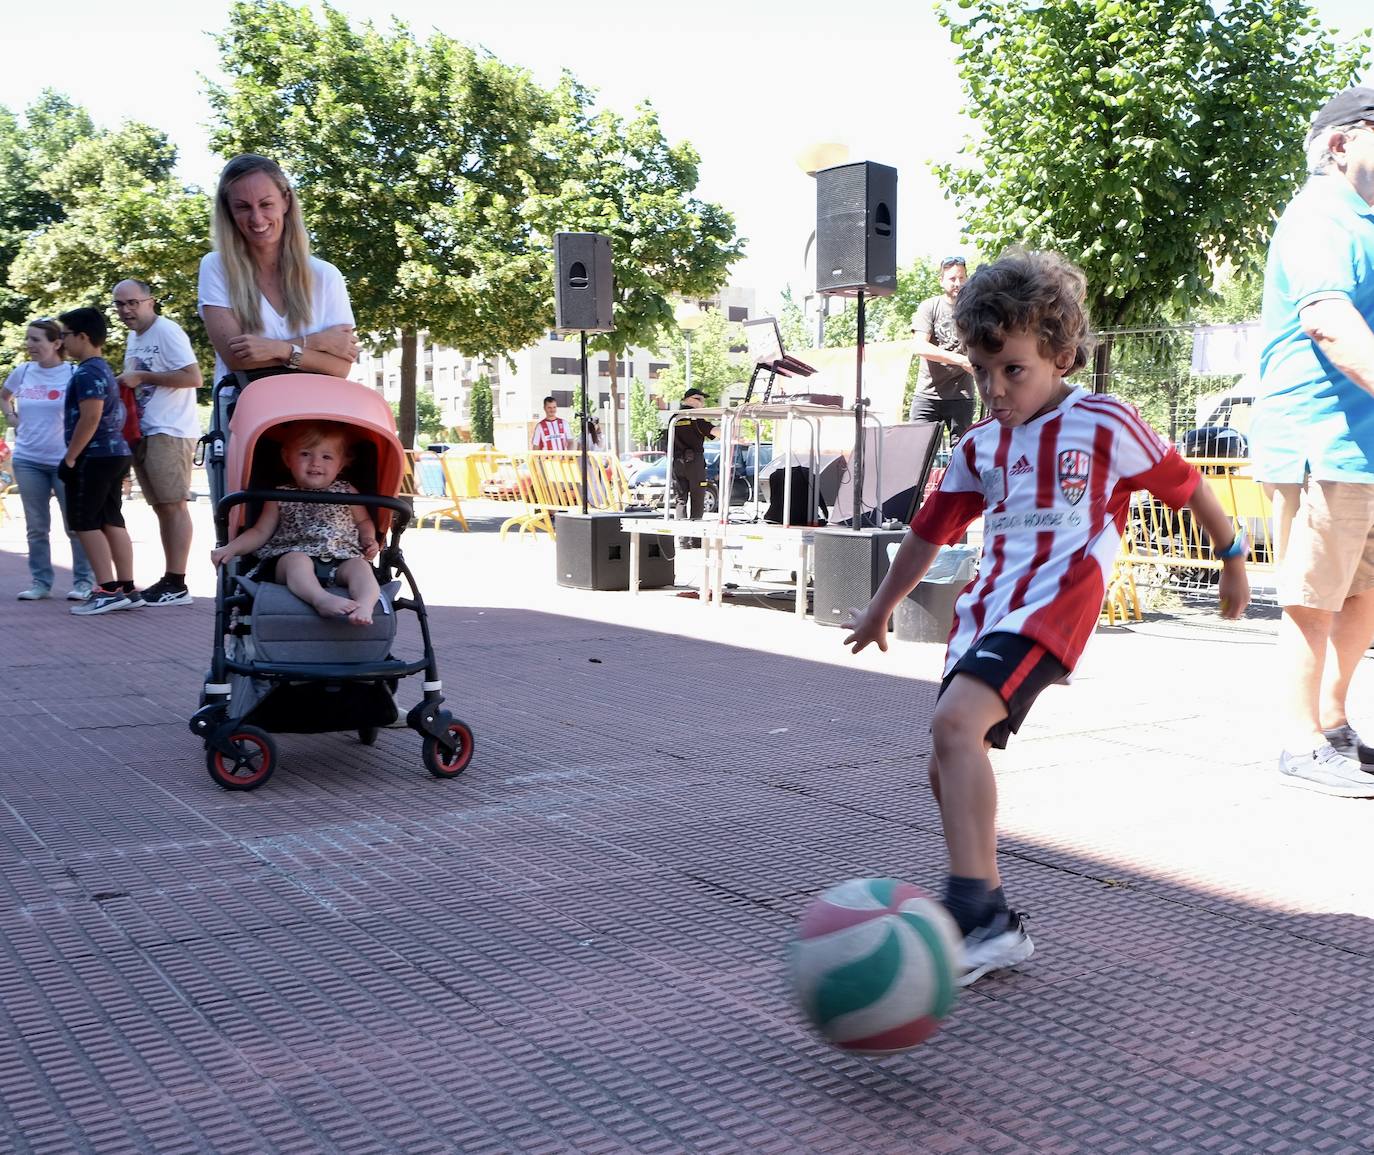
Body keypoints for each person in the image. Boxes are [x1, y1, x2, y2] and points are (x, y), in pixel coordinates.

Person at [843, 249, 1249, 984]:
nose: (996, 390)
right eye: (982, 372)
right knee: (946, 764)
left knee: (954, 727)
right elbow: (928, 531)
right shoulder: (981, 444)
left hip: (1054, 605)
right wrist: (879, 608)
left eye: (1015, 370)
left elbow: (1185, 485)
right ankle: (994, 912)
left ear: (1061, 355)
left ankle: (972, 911)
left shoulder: (1102, 421)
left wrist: (1232, 552)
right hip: (988, 609)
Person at [1249, 86, 1374, 798]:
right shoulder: (1319, 216)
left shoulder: (1367, 220)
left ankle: (1333, 720)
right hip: (1319, 438)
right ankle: (1300, 740)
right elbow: (1330, 323)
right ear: (1341, 143)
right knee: (1313, 597)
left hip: (1365, 441)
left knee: (1364, 594)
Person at [198, 154, 357, 391]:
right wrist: (316, 344)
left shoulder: (325, 275)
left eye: (266, 204)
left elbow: (340, 368)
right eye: (242, 207)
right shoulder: (216, 267)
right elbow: (238, 360)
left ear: (286, 201)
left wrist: (278, 350)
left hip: (314, 417)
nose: (256, 218)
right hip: (244, 417)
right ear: (229, 211)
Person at [210, 420, 380, 626]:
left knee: (361, 567)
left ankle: (365, 604)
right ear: (287, 457)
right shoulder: (279, 494)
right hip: (290, 554)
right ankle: (320, 599)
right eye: (305, 454)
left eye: (326, 457)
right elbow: (260, 531)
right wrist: (231, 548)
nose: (316, 463)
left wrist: (369, 538)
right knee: (296, 561)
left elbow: (363, 521)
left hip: (341, 557)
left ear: (342, 463)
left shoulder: (347, 491)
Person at [113, 278, 203, 607]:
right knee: (162, 506)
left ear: (150, 301)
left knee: (173, 504)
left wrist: (143, 377)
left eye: (132, 303)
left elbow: (194, 378)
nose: (126, 310)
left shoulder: (166, 331)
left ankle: (178, 582)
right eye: (120, 305)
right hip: (146, 429)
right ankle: (170, 579)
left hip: (170, 429)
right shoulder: (134, 337)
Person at [0, 318, 96, 601]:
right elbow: (4, 396)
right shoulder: (23, 371)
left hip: (65, 459)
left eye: (36, 340)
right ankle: (41, 582)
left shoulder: (73, 373)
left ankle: (83, 582)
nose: (30, 345)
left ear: (56, 344)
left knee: (76, 525)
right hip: (28, 459)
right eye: (28, 339)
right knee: (36, 527)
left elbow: (89, 412)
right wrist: (11, 416)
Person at [57, 308, 142, 617]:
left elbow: (90, 417)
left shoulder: (86, 372)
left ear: (83, 337)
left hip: (96, 455)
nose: (62, 342)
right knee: (110, 519)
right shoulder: (102, 368)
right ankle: (127, 588)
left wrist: (70, 458)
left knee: (84, 522)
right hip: (115, 452)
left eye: (65, 335)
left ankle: (106, 590)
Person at [909, 256, 977, 442]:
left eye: (962, 278)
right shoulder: (929, 307)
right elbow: (919, 346)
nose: (958, 283)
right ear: (941, 281)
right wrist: (960, 360)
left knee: (963, 453)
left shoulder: (975, 310)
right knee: (915, 451)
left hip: (961, 395)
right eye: (952, 279)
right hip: (927, 394)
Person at [670, 387, 718, 546]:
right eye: (699, 399)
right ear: (688, 400)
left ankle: (683, 540)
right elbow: (713, 431)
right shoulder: (695, 418)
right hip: (695, 463)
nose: (702, 403)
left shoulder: (674, 418)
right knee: (697, 500)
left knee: (680, 500)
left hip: (677, 463)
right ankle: (695, 540)